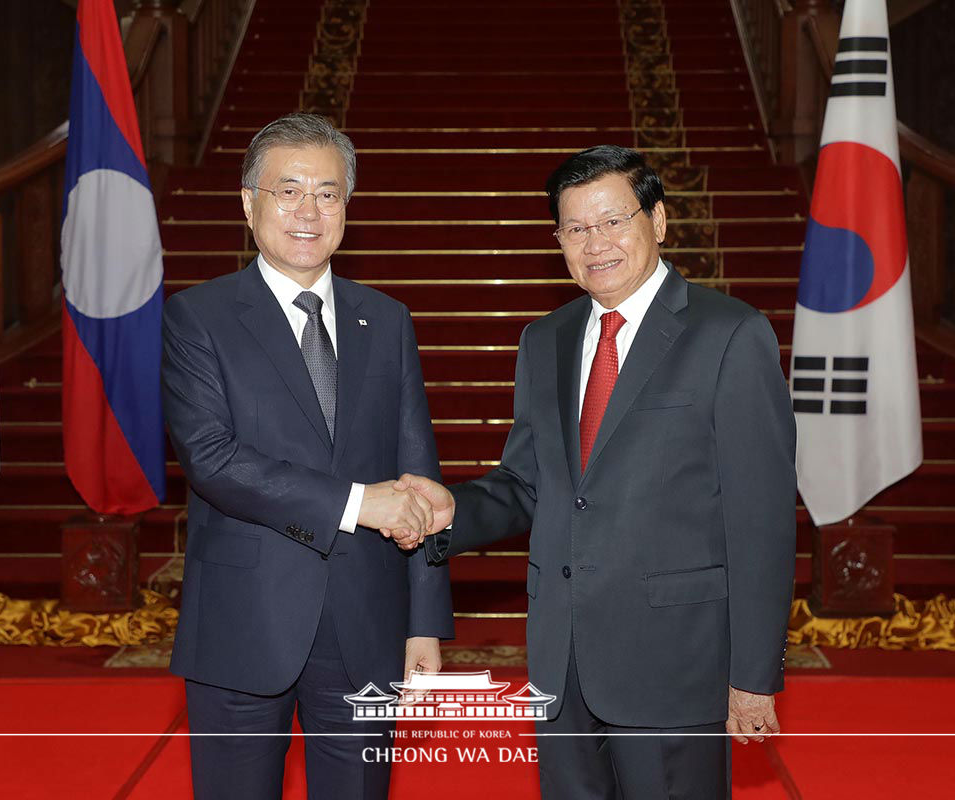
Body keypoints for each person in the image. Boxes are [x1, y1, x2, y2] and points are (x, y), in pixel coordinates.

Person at [390, 145, 797, 799]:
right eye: (576, 228)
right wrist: (450, 512)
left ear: (658, 221)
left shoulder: (730, 334)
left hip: (674, 661)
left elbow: (763, 519)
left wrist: (753, 674)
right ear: (558, 240)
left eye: (613, 221)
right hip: (564, 658)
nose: (596, 243)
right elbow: (528, 485)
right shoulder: (544, 338)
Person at [161, 112, 453, 800]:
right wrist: (358, 503)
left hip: (367, 623)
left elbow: (421, 477)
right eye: (287, 190)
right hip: (242, 622)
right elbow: (211, 459)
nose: (307, 211)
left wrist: (426, 626)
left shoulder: (387, 320)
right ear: (248, 203)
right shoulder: (197, 317)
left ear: (347, 207)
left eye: (327, 193)